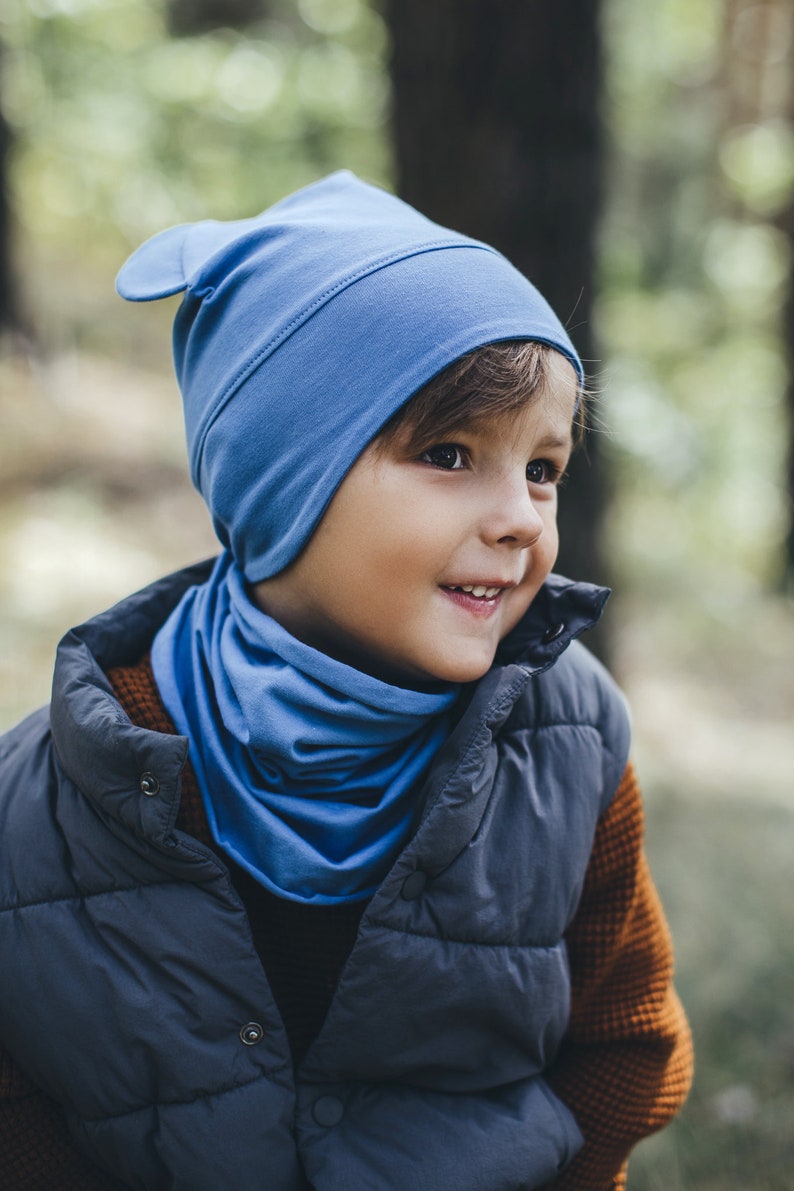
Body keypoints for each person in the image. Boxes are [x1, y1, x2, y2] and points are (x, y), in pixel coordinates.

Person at [0, 171, 692, 1190]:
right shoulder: (49, 796)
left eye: (541, 469)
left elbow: (623, 1042)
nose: (519, 518)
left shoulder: (567, 740)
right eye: (450, 454)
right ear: (280, 483)